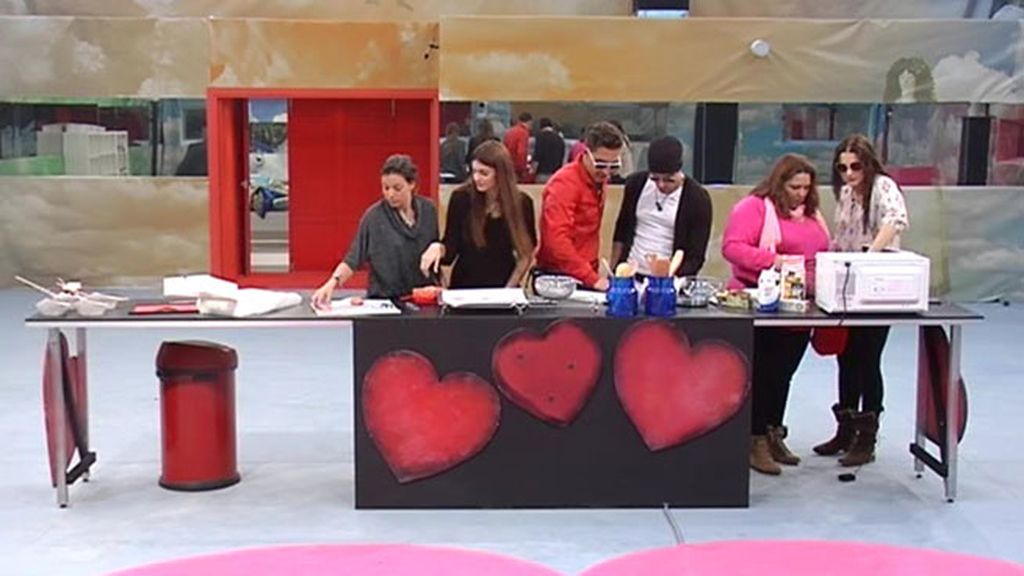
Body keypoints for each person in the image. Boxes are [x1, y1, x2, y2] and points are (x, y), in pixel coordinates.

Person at [721, 154, 830, 475]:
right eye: (795, 187)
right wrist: (776, 261)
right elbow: (733, 247)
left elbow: (822, 251)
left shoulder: (812, 215)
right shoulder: (753, 208)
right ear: (779, 183)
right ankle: (753, 439)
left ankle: (773, 433)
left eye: (807, 188)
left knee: (784, 373)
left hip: (801, 305)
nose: (801, 193)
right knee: (764, 373)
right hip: (761, 301)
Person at [814, 133, 909, 467]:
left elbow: (895, 219)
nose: (849, 173)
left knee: (867, 357)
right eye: (842, 168)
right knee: (846, 356)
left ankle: (867, 436)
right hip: (849, 282)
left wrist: (873, 253)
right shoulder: (846, 194)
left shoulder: (882, 186)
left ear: (867, 164)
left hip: (877, 281)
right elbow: (841, 238)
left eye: (855, 166)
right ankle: (846, 428)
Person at [311, 154, 439, 305]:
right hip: (385, 302)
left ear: (411, 184)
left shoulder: (429, 210)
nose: (390, 194)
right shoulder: (374, 217)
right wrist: (332, 283)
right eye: (386, 188)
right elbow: (353, 258)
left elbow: (441, 247)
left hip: (424, 299)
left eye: (397, 188)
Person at [422, 140, 537, 288]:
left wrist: (507, 290)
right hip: (465, 287)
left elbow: (525, 254)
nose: (476, 178)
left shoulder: (523, 204)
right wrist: (438, 248)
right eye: (474, 171)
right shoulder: (461, 199)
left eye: (484, 173)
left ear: (501, 174)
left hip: (504, 286)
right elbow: (451, 247)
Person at [535, 121, 623, 291]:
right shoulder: (564, 184)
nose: (606, 172)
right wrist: (592, 278)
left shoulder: (598, 180)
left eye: (613, 166)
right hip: (559, 278)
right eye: (600, 164)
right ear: (585, 153)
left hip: (584, 273)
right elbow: (556, 240)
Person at [611, 136, 712, 277]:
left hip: (669, 278)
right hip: (631, 272)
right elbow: (621, 231)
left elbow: (696, 255)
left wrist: (672, 278)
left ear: (679, 171)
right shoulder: (636, 184)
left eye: (669, 180)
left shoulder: (697, 197)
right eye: (655, 178)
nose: (661, 185)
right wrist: (613, 270)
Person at [533, 117, 565, 184]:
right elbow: (562, 156)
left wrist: (533, 170)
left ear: (540, 126)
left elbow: (537, 155)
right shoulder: (559, 139)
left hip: (542, 173)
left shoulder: (540, 137)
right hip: (556, 174)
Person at [503, 112, 534, 183]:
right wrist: (522, 170)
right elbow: (521, 152)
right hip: (516, 170)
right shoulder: (523, 133)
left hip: (507, 166)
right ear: (529, 122)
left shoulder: (509, 132)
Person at [608, 120, 635, 184]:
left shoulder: (620, 144)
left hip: (622, 176)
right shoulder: (624, 141)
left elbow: (615, 165)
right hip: (626, 175)